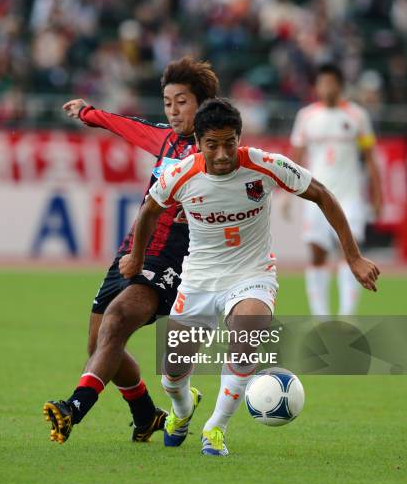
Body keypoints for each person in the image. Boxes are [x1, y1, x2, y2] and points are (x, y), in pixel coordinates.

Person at [119, 98, 380, 456]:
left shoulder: (264, 164)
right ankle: (182, 410)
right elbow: (149, 210)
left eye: (230, 143)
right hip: (199, 280)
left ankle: (216, 427)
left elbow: (322, 194)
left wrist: (352, 256)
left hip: (252, 274)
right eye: (213, 145)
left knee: (249, 329)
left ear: (239, 138)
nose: (223, 153)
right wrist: (136, 258)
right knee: (172, 372)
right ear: (198, 143)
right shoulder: (181, 175)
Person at [43, 57, 220, 444]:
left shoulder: (216, 151)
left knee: (118, 320)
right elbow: (128, 126)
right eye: (168, 102)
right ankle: (146, 416)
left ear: (202, 104)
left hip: (172, 261)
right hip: (131, 252)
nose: (173, 112)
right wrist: (88, 112)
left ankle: (74, 408)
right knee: (100, 347)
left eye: (182, 102)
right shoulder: (167, 139)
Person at [286, 63, 382, 315]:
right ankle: (321, 317)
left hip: (350, 195)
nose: (326, 87)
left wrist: (377, 194)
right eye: (322, 83)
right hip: (316, 196)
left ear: (339, 85)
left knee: (349, 251)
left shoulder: (357, 116)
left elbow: (371, 158)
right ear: (316, 86)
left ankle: (346, 316)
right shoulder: (306, 117)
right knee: (317, 253)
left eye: (330, 82)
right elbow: (294, 159)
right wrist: (283, 195)